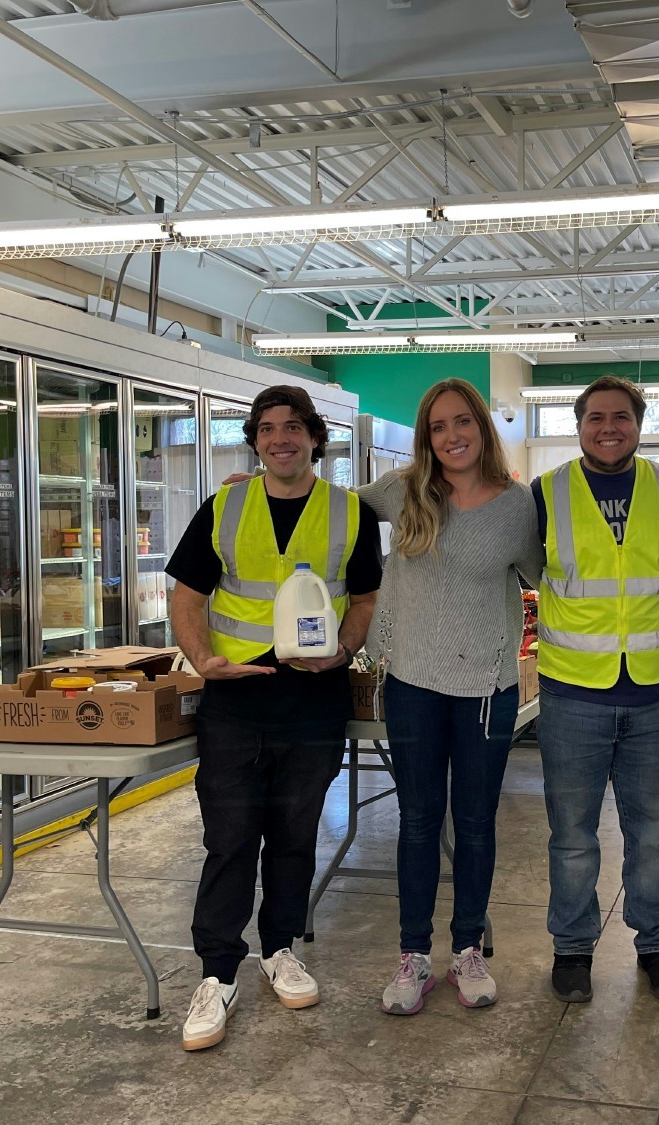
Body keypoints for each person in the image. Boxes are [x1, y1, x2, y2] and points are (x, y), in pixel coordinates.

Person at [167, 384, 382, 1052]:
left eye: (293, 427)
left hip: (311, 702)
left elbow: (367, 597)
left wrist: (343, 650)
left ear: (316, 437)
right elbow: (186, 595)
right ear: (254, 440)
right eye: (266, 429)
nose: (280, 439)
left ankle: (280, 947)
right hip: (234, 702)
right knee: (230, 839)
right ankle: (217, 970)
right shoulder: (224, 506)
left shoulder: (350, 513)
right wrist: (202, 658)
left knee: (294, 835)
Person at [357, 378, 543, 1015]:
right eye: (438, 427)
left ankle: (467, 949)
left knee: (475, 822)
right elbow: (329, 506)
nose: (452, 436)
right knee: (416, 822)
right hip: (411, 681)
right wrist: (258, 486)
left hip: (486, 687)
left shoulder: (518, 506)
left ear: (482, 428)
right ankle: (413, 955)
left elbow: (551, 577)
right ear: (426, 436)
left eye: (463, 422)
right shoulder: (403, 490)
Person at [532, 374, 659, 1005]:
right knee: (572, 835)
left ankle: (657, 946)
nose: (608, 427)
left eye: (621, 417)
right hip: (573, 693)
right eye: (595, 417)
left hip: (655, 691)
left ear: (639, 424)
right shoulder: (546, 493)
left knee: (653, 833)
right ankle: (572, 949)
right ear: (578, 426)